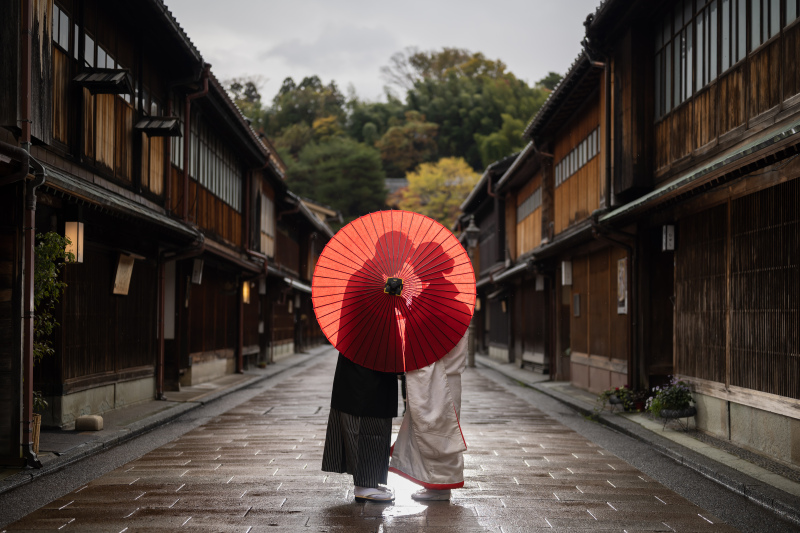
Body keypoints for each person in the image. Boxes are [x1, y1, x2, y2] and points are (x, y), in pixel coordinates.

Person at [320, 231, 410, 503]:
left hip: (376, 356)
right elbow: (365, 316)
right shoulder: (367, 277)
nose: (403, 260)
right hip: (362, 356)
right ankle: (364, 484)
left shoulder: (383, 279)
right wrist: (390, 298)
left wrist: (397, 299)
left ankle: (370, 481)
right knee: (363, 419)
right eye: (401, 255)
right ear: (390, 254)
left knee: (376, 420)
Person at [389, 241, 471, 501]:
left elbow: (419, 341)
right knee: (438, 429)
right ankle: (435, 484)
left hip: (436, 377)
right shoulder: (454, 300)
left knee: (435, 429)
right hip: (448, 376)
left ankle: (439, 488)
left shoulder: (430, 302)